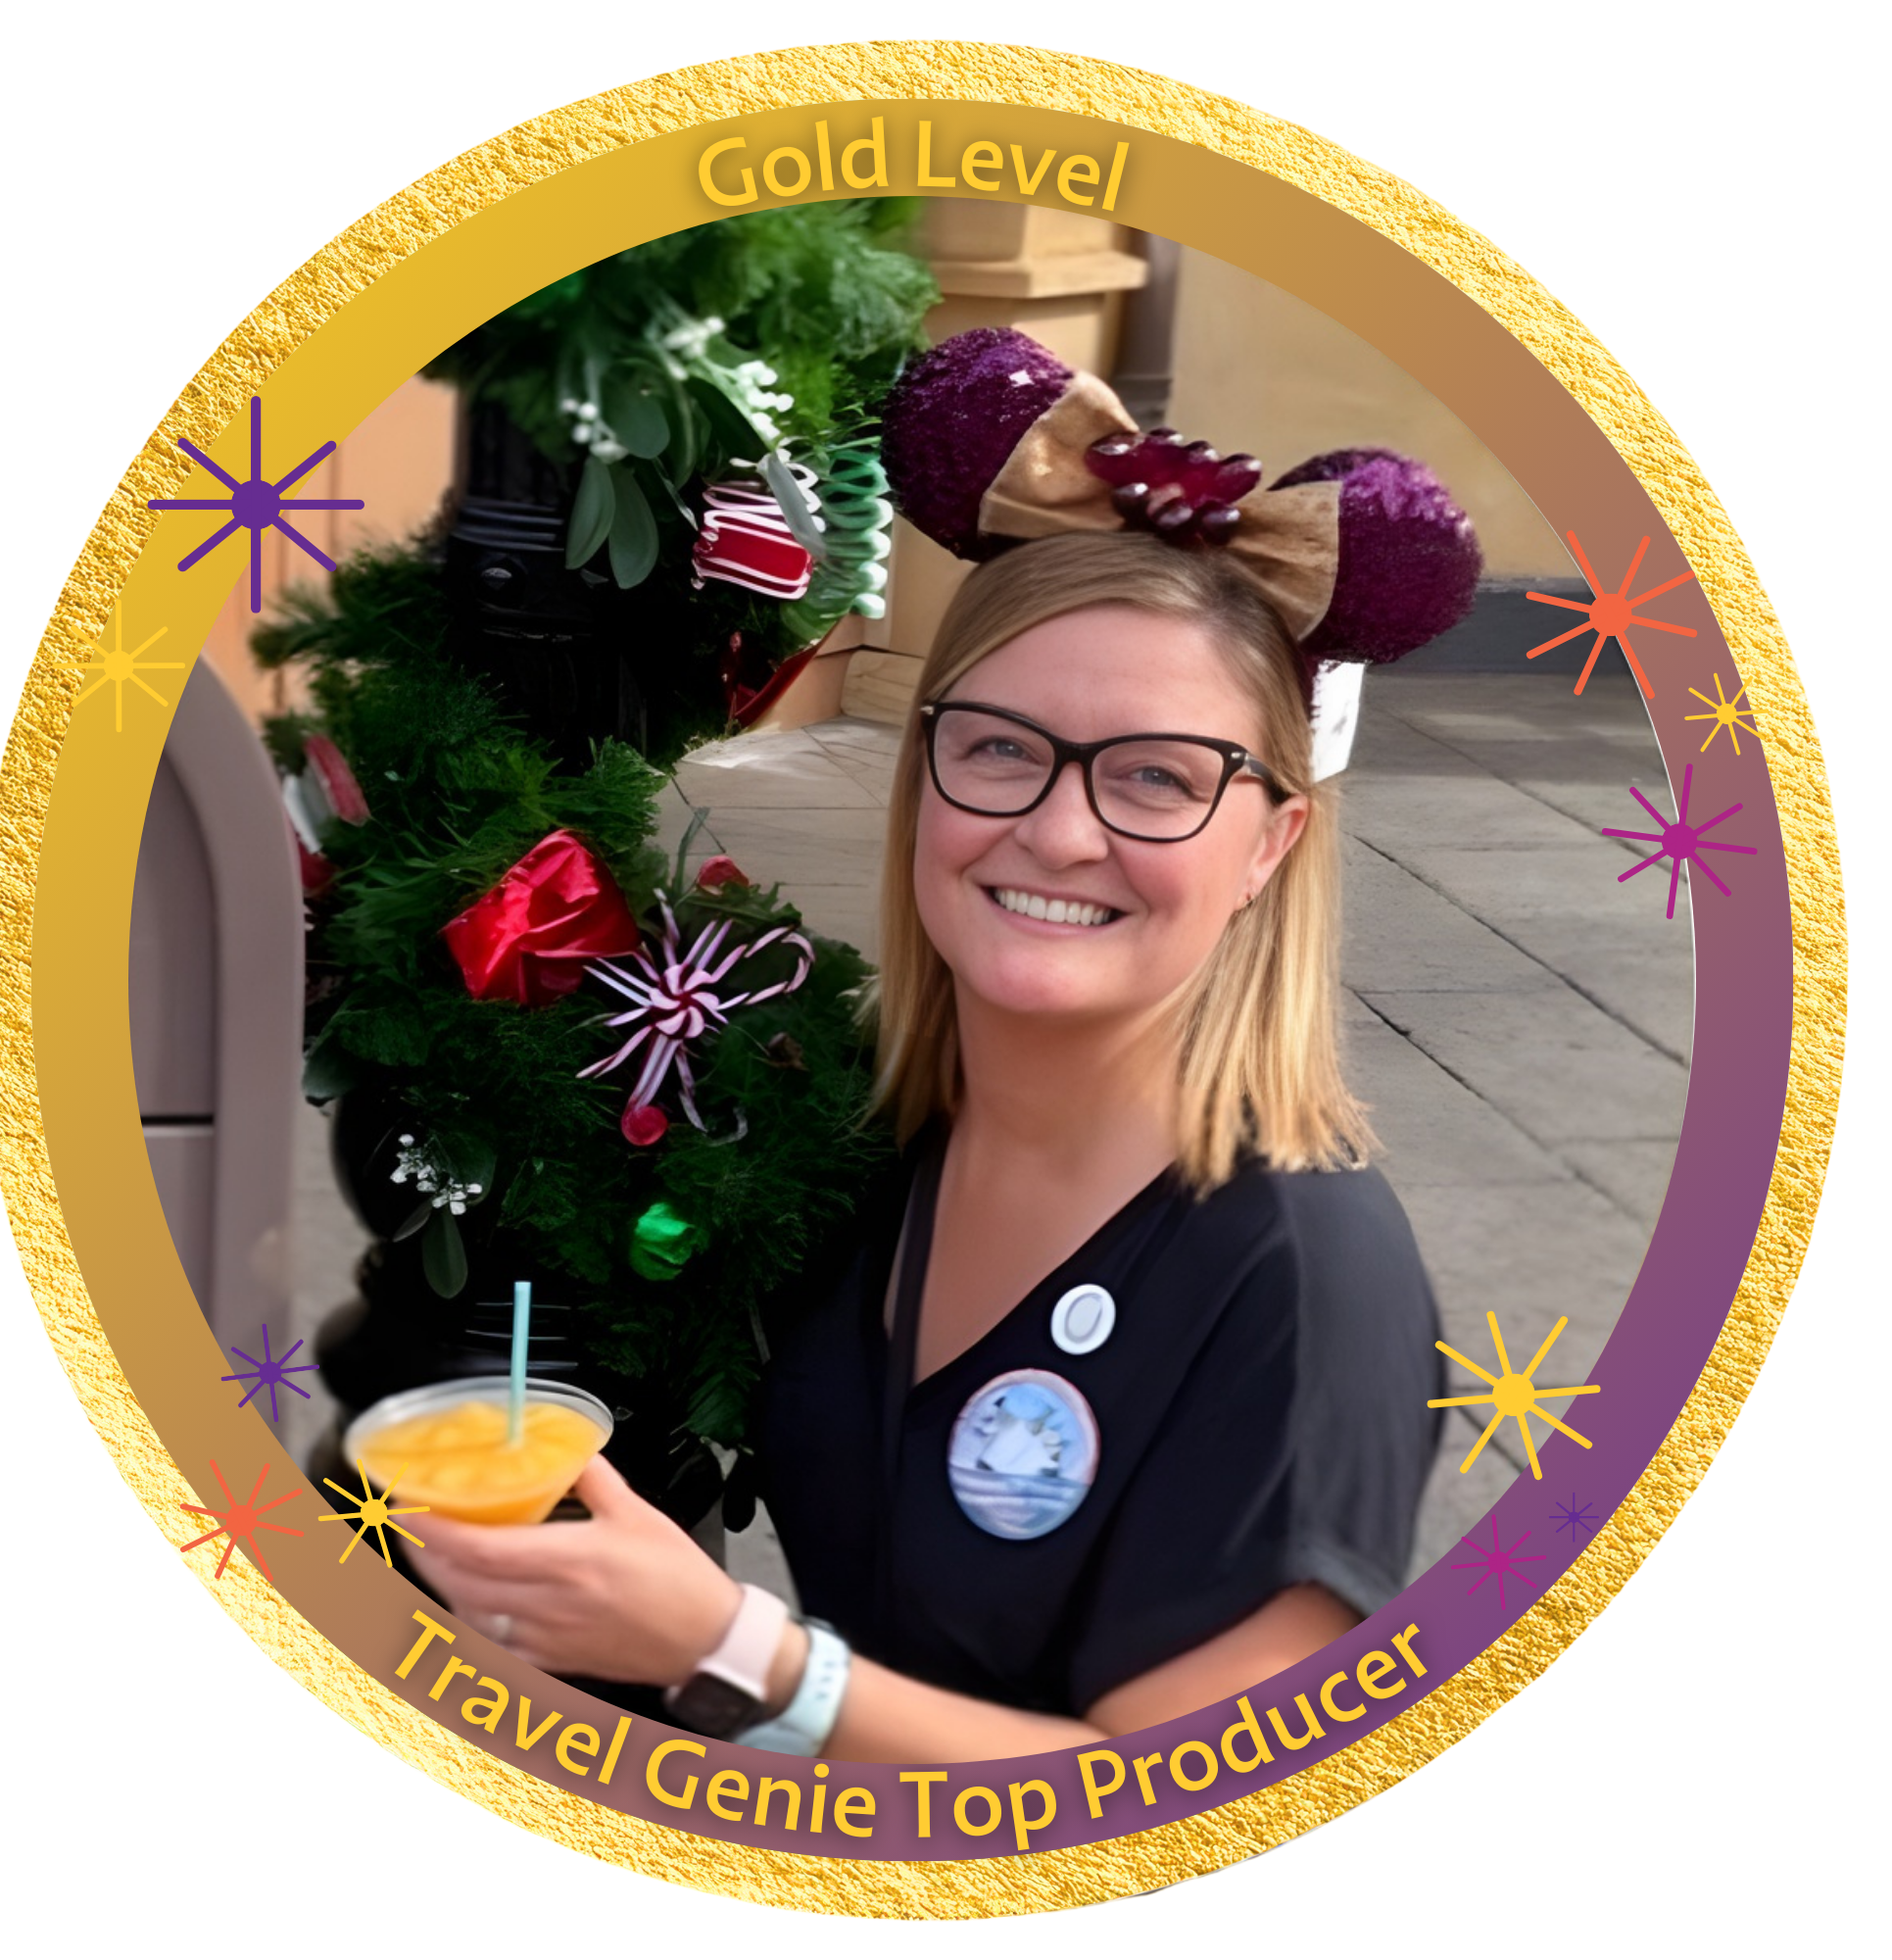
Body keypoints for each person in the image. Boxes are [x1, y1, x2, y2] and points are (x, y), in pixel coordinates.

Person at [408, 329, 1472, 1761]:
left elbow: (1198, 1823)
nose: (1056, 827)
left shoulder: (1299, 1276)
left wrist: (731, 1652)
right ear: (924, 774)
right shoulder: (878, 1143)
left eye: (1158, 775)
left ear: (1273, 843)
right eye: (998, 748)